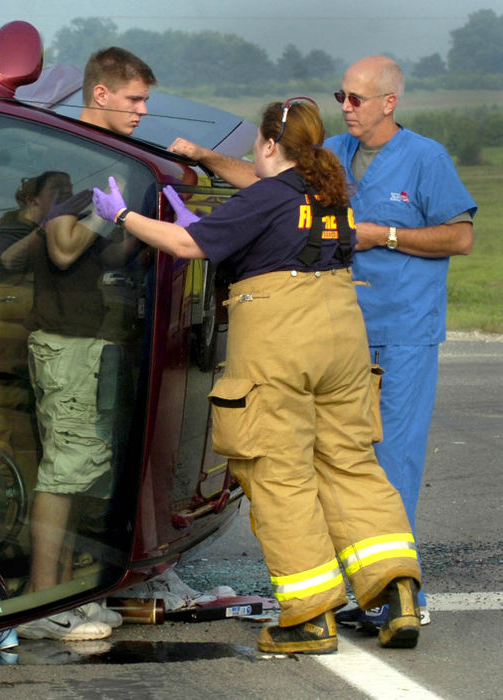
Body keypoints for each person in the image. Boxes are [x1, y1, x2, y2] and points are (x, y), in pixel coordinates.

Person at [93, 97, 423, 653]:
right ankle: (396, 594)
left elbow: (183, 243)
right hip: (343, 338)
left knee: (276, 471)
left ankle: (310, 617)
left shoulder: (267, 195)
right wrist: (214, 203)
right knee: (350, 463)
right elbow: (269, 227)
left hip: (281, 340)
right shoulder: (331, 194)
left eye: (256, 147)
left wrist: (122, 215)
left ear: (271, 144)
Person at [170, 57, 477, 629]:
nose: (346, 106)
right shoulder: (330, 152)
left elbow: (460, 236)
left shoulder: (426, 158)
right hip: (338, 333)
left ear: (390, 103)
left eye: (358, 98)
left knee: (385, 461)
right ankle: (371, 587)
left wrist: (384, 235)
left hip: (402, 330)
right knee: (339, 461)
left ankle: (393, 598)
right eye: (342, 95)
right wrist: (206, 159)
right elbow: (272, 189)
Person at [7, 47, 155, 643]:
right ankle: (44, 605)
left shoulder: (106, 164)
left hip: (85, 341)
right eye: (134, 99)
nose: (143, 111)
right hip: (63, 344)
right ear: (101, 95)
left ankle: (68, 592)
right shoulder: (78, 161)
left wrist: (142, 232)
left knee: (81, 470)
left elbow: (101, 256)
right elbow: (64, 248)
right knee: (63, 472)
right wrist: (105, 209)